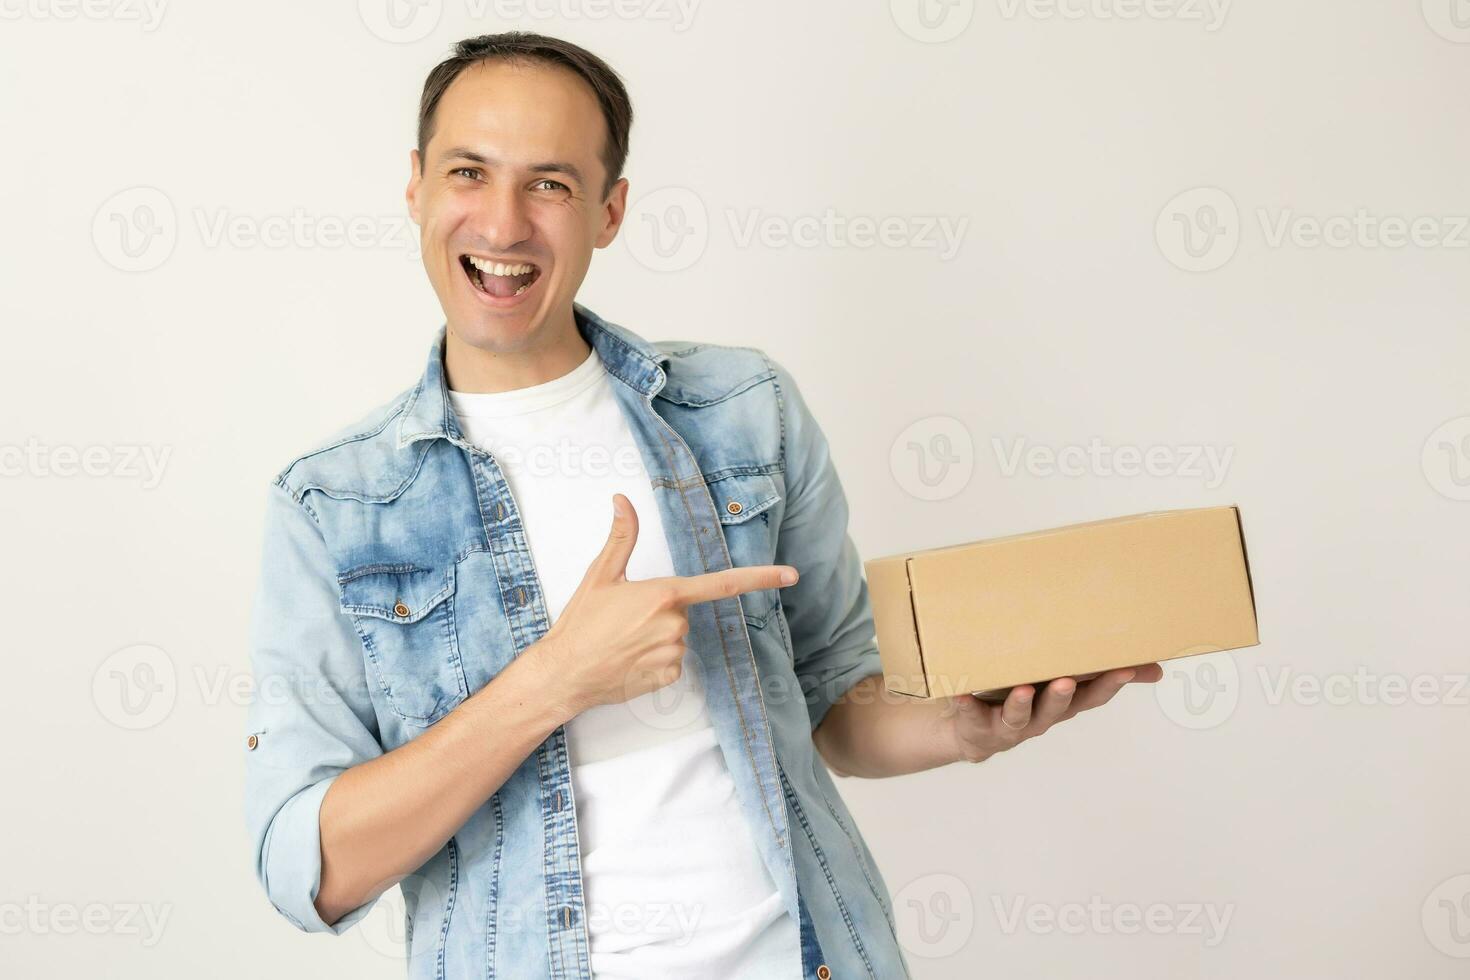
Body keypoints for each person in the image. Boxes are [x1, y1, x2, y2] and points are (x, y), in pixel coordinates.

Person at [241, 31, 1162, 980]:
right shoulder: (333, 506)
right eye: (470, 171)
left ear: (610, 210)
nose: (504, 223)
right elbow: (308, 868)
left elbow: (837, 697)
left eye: (550, 184)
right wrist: (557, 678)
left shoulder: (742, 409)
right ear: (417, 188)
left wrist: (963, 729)